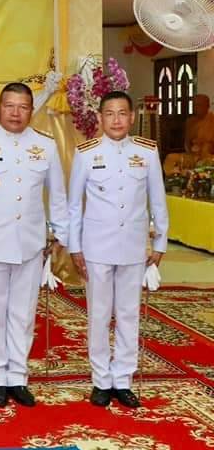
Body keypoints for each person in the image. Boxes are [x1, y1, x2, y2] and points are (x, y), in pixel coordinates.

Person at [0, 82, 69, 408]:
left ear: (31, 111)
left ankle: (17, 376)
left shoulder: (45, 146)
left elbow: (57, 196)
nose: (16, 113)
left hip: (31, 244)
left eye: (22, 107)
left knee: (23, 313)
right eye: (10, 106)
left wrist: (59, 236)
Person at [68, 91, 168, 409]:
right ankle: (101, 380)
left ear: (132, 117)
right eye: (109, 113)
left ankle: (122, 379)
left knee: (128, 315)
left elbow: (157, 200)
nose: (116, 120)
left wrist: (161, 242)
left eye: (122, 113)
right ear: (99, 118)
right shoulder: (86, 154)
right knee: (99, 315)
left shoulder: (147, 153)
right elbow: (73, 207)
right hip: (96, 247)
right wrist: (74, 247)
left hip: (133, 247)